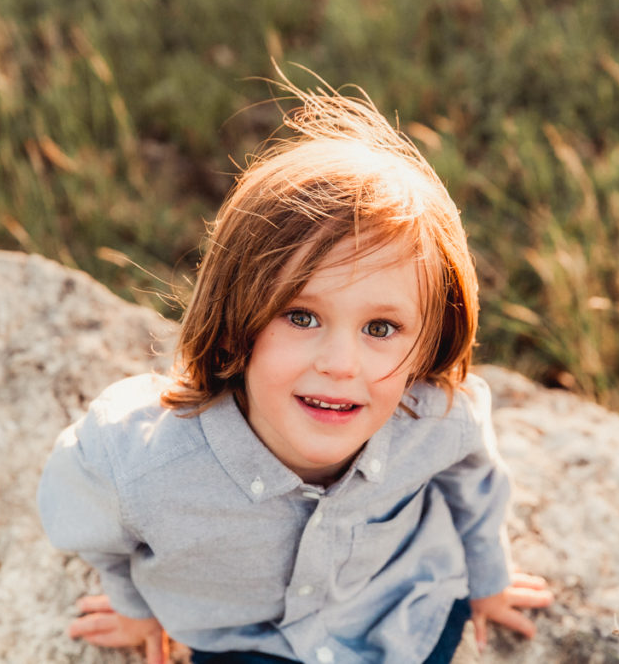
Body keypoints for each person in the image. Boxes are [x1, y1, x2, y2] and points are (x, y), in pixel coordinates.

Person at [37, 73, 554, 664]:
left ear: (431, 342)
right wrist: (138, 608)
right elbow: (92, 532)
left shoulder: (435, 417)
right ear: (236, 317)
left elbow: (475, 479)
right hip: (243, 641)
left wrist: (487, 578)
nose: (340, 364)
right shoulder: (137, 464)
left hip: (402, 611)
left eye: (381, 329)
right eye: (301, 316)